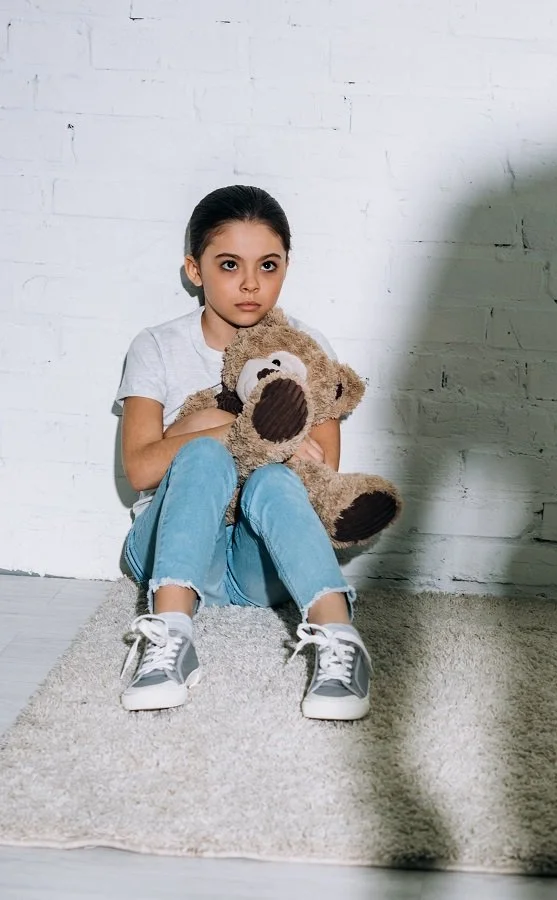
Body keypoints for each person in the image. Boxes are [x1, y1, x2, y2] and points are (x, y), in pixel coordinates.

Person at [114, 184, 372, 721]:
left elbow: (320, 468)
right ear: (195, 269)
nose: (251, 283)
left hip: (261, 564)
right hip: (169, 549)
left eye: (268, 265)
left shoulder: (304, 348)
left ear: (286, 268)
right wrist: (241, 430)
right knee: (204, 457)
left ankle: (340, 641)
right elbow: (140, 467)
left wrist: (202, 426)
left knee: (273, 481)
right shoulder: (157, 345)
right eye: (229, 264)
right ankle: (170, 637)